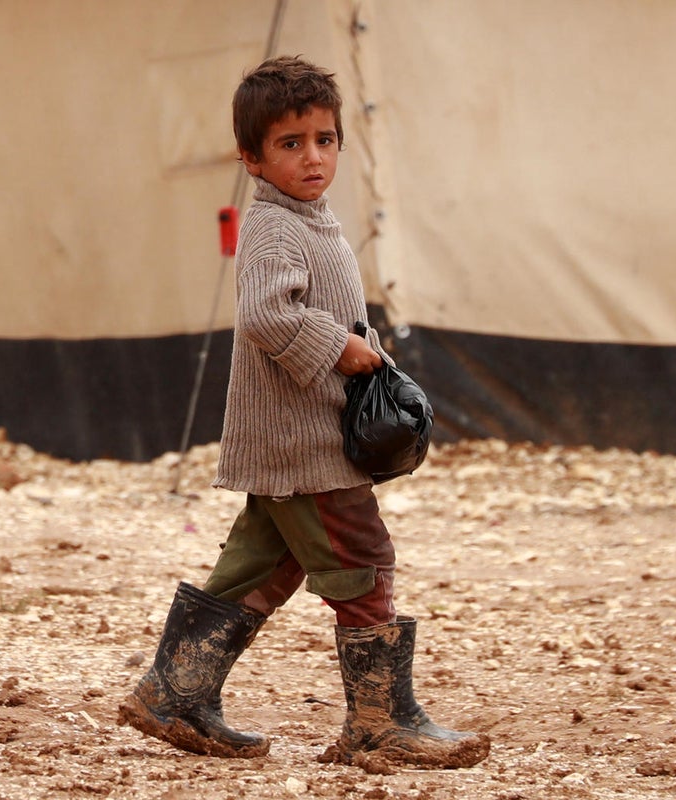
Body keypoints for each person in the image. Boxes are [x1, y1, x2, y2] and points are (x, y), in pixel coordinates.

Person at [117, 56, 490, 772]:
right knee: (361, 559)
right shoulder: (274, 228)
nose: (312, 156)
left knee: (264, 562)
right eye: (290, 144)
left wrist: (366, 355)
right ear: (251, 157)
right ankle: (382, 722)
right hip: (304, 443)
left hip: (293, 442)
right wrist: (339, 347)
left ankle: (174, 690)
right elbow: (264, 314)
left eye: (324, 138)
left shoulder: (314, 222)